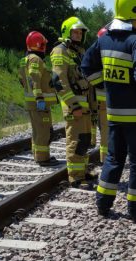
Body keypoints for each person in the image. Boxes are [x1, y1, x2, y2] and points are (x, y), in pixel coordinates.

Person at [82, 0, 136, 222]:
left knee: (114, 158)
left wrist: (104, 85)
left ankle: (103, 204)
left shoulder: (103, 40)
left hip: (115, 113)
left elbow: (87, 67)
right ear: (134, 14)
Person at [51, 16, 96, 188]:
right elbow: (59, 81)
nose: (78, 35)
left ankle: (82, 171)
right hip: (74, 106)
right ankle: (75, 177)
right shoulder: (60, 51)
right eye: (75, 32)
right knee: (75, 140)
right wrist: (73, 105)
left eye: (80, 32)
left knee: (84, 140)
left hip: (84, 105)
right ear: (67, 32)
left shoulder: (80, 51)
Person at [18, 32, 58, 166]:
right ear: (38, 45)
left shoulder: (24, 60)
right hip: (40, 103)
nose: (45, 47)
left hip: (31, 103)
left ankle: (37, 155)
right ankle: (43, 158)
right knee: (44, 131)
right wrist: (39, 98)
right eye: (43, 44)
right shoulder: (36, 59)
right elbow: (34, 79)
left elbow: (22, 81)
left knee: (37, 130)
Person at [94, 26, 110, 163]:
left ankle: (107, 159)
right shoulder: (99, 57)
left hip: (107, 101)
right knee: (105, 132)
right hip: (103, 102)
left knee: (107, 132)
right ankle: (105, 160)